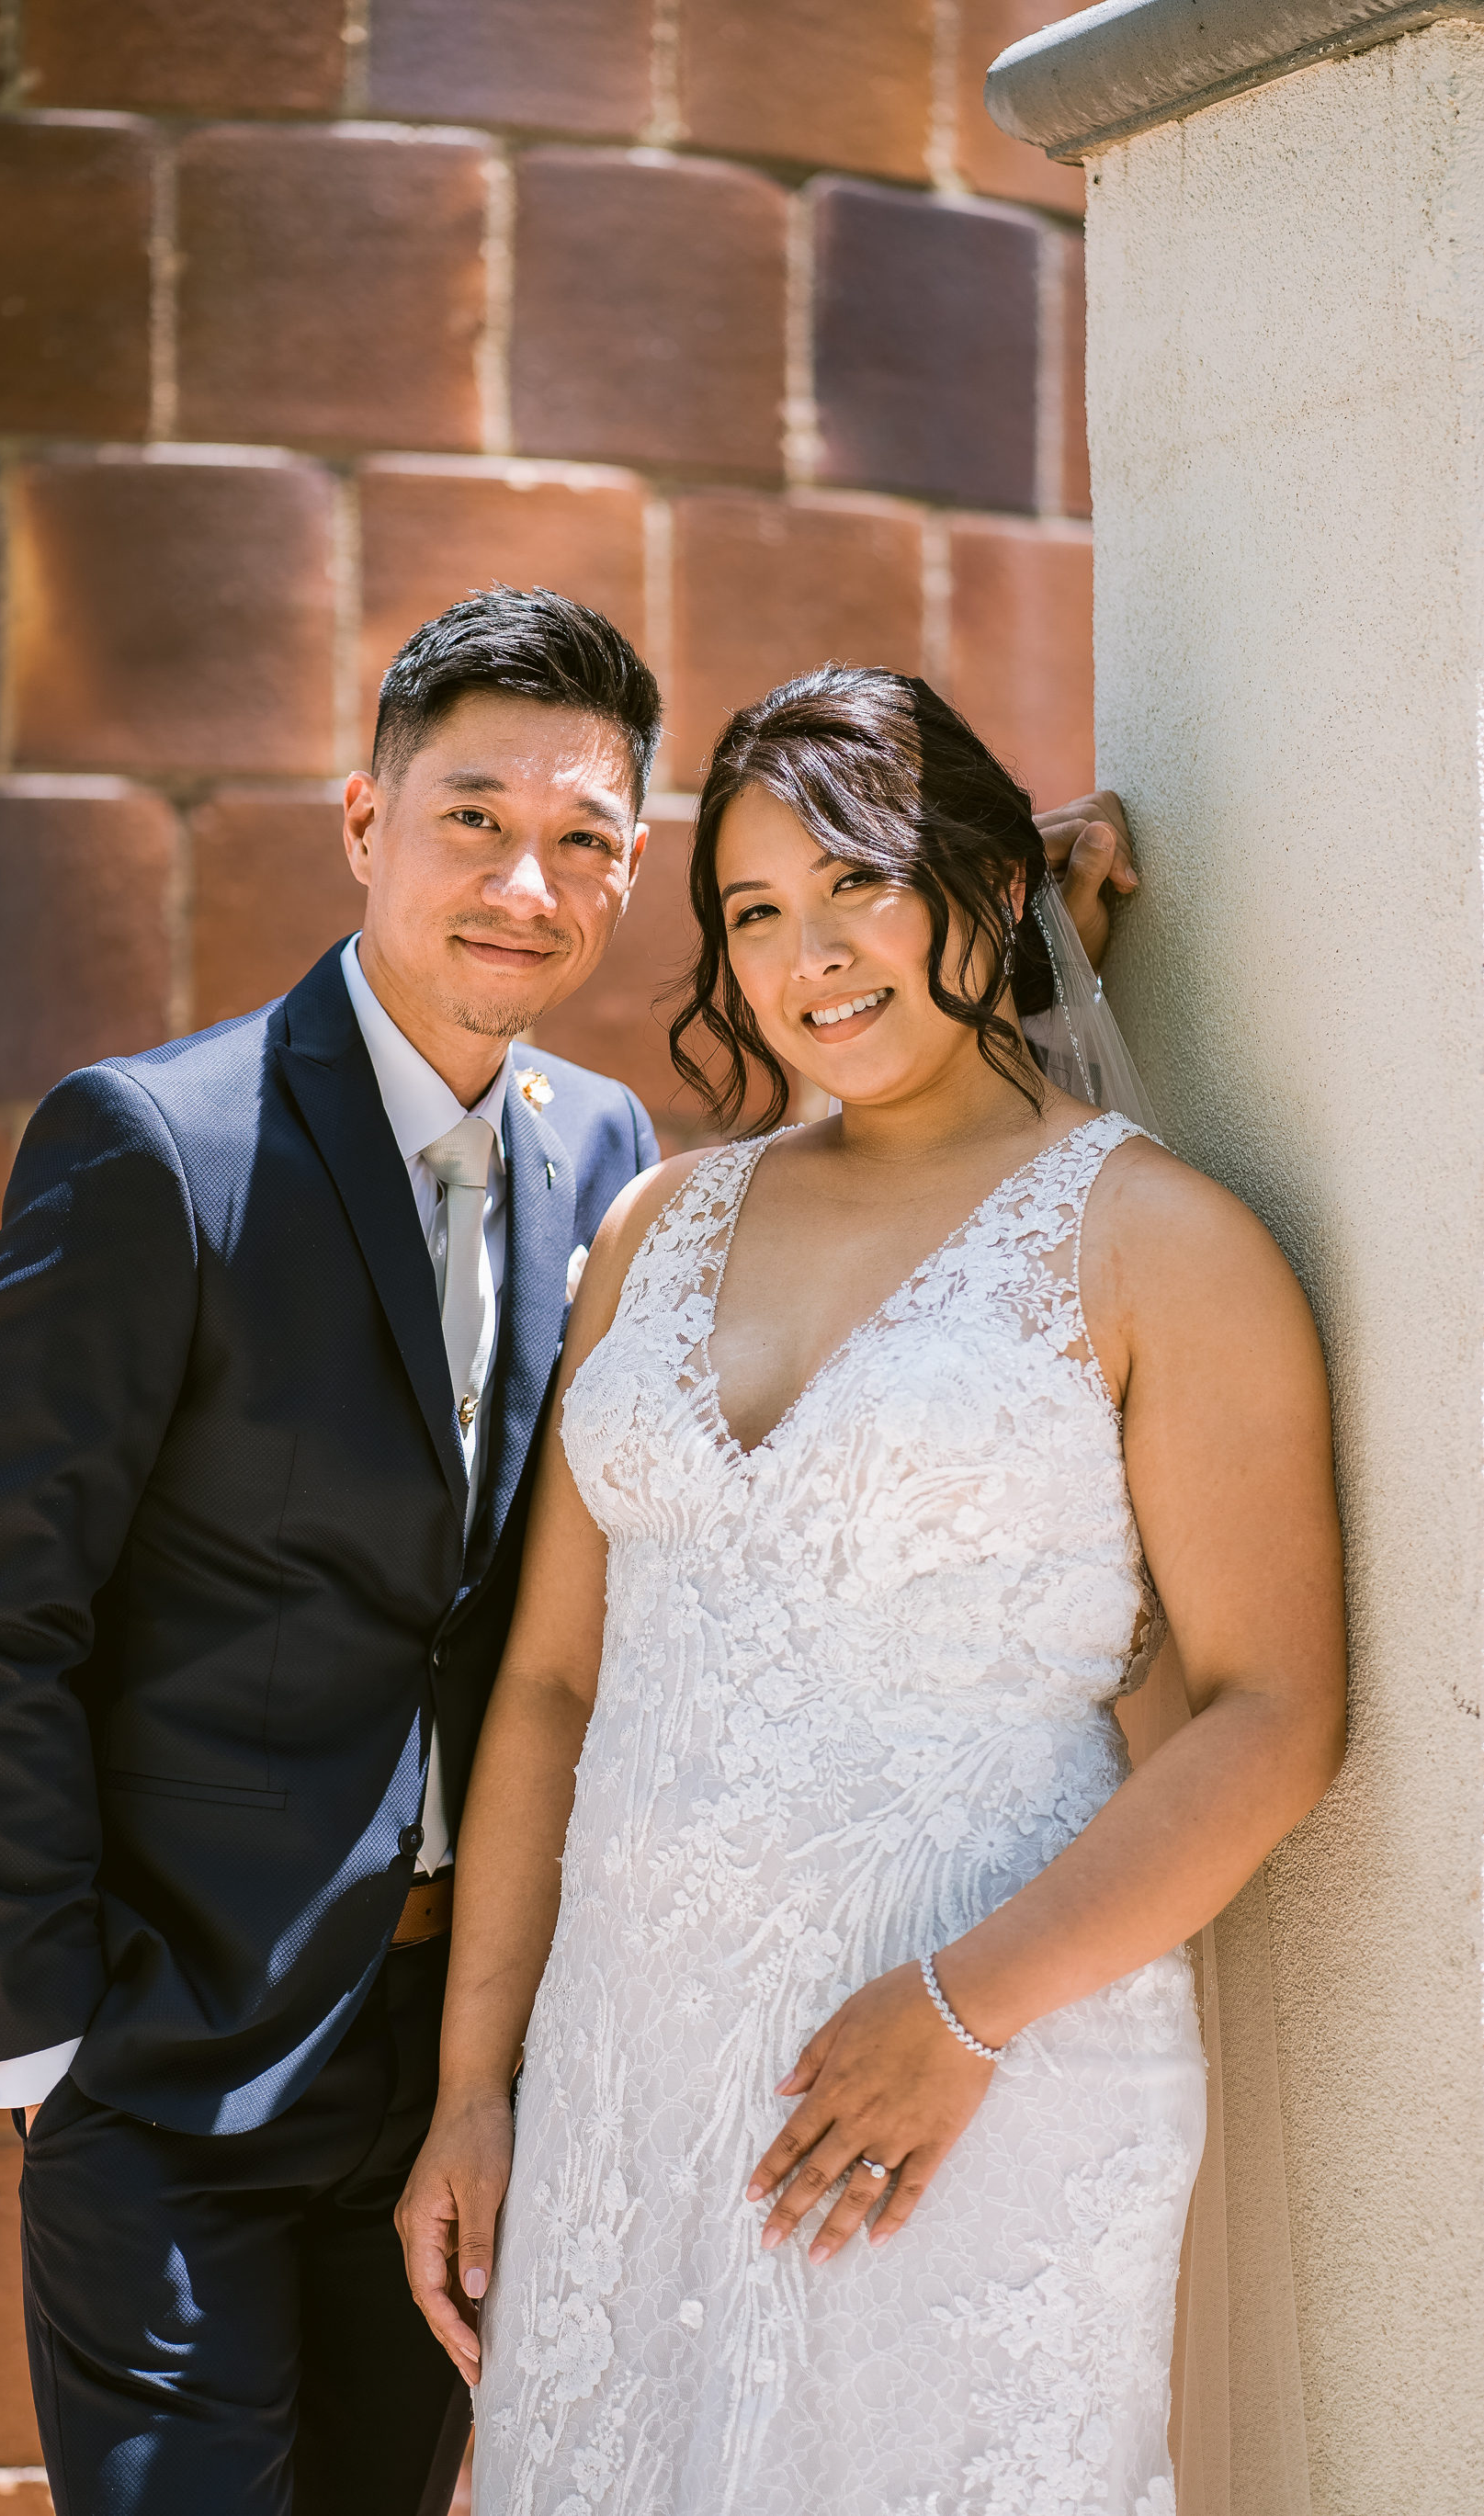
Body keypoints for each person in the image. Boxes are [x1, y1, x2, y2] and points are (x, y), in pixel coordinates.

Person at [0, 576, 1131, 2515]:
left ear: (631, 868)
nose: (524, 883)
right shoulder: (151, 1146)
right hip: (175, 2059)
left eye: (584, 839)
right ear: (364, 820)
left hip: (467, 2077)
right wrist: (47, 2034)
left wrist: (1017, 917)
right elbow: (1, 1615)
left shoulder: (608, 1157)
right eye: (472, 818)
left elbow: (886, 1138)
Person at [397, 667, 1346, 2516]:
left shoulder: (1160, 1243)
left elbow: (1272, 1712)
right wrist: (475, 2082)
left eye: (858, 883)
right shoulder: (655, 1228)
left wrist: (968, 2006)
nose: (808, 956)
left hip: (978, 2078)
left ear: (989, 887)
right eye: (754, 911)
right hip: (626, 2076)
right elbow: (554, 1685)